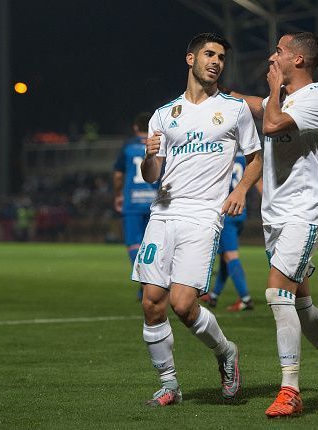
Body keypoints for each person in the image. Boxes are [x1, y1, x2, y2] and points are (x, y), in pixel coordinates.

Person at [228, 31, 318, 416]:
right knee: (299, 302)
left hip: (304, 211)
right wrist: (216, 93)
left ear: (299, 60)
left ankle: (290, 389)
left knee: (275, 293)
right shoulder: (284, 97)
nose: (273, 57)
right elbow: (254, 106)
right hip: (276, 215)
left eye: (279, 51)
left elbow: (271, 124)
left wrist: (273, 90)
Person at [133, 33, 263, 406]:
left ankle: (225, 353)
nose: (216, 61)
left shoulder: (234, 109)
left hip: (204, 214)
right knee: (151, 301)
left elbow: (255, 157)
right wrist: (149, 156)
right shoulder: (164, 114)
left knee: (183, 303)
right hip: (163, 212)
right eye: (209, 54)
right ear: (190, 59)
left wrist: (239, 192)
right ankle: (169, 384)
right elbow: (150, 174)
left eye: (221, 56)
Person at [203, 152, 260, 311]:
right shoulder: (244, 156)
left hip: (225, 211)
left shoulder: (222, 152)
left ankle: (245, 299)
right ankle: (214, 295)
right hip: (240, 210)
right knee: (225, 257)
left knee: (230, 255)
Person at [113, 112, 159, 301]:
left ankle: (145, 282)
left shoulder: (128, 146)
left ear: (135, 128)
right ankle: (151, 283)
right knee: (153, 246)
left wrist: (117, 195)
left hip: (132, 201)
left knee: (134, 244)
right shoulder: (156, 145)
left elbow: (118, 175)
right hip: (154, 202)